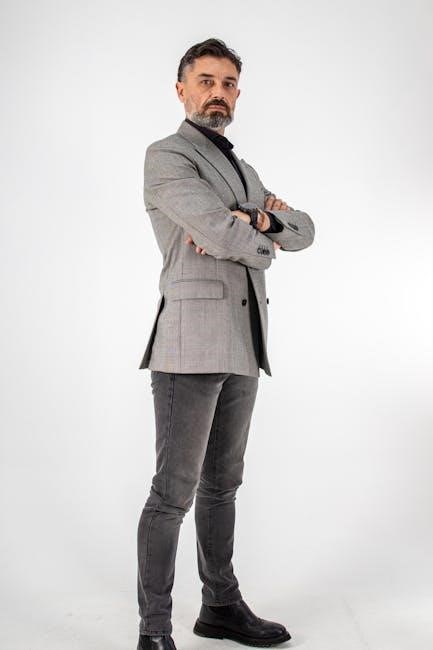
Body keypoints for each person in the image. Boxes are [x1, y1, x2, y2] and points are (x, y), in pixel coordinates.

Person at [136, 38, 315, 650]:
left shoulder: (246, 171)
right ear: (181, 89)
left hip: (245, 341)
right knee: (173, 493)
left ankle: (220, 606)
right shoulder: (167, 157)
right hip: (189, 344)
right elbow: (218, 232)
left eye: (229, 83)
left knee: (223, 485)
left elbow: (304, 230)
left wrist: (257, 219)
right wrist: (258, 237)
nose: (219, 93)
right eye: (207, 80)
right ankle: (154, 630)